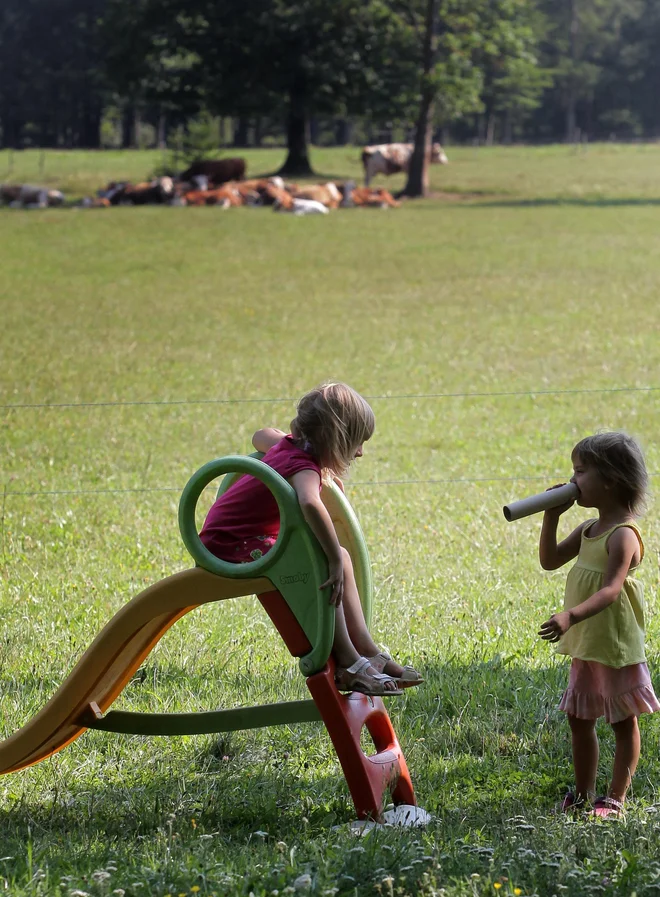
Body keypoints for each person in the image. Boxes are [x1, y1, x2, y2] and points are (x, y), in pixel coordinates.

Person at [199, 381, 423, 697]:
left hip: (239, 538)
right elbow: (308, 503)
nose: (360, 451)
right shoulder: (304, 468)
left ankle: (367, 648)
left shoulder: (289, 446)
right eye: (357, 443)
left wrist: (337, 555)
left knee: (343, 556)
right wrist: (330, 557)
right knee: (323, 564)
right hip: (229, 546)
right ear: (334, 439)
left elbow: (260, 435)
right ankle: (348, 662)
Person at [538, 431, 659, 818]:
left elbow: (610, 590)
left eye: (580, 471)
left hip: (615, 643)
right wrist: (551, 516)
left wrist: (570, 615)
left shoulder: (623, 535)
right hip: (588, 642)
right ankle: (584, 792)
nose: (573, 481)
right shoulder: (589, 528)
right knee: (579, 718)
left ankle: (616, 798)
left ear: (610, 479)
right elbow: (550, 560)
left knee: (623, 720)